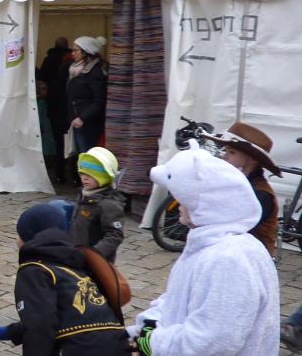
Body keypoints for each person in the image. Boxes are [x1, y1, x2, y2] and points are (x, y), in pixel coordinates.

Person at [128, 142, 279, 356]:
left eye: (183, 199)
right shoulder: (206, 246)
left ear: (205, 203)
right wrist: (147, 326)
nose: (179, 205)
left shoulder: (228, 259)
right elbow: (176, 300)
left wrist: (151, 342)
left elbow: (213, 342)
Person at [0, 203, 130, 356]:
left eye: (18, 234)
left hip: (79, 349)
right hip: (118, 345)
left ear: (29, 237)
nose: (16, 239)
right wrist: (0, 333)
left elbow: (40, 326)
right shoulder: (76, 265)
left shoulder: (34, 270)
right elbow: (61, 318)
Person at [206, 122, 282, 255]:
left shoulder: (261, 194)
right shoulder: (239, 182)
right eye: (226, 150)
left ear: (252, 159)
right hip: (229, 252)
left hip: (251, 261)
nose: (224, 156)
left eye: (232, 152)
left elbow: (232, 228)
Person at [70, 146, 125, 263]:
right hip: (77, 254)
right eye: (82, 173)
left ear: (104, 177)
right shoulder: (83, 194)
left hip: (96, 261)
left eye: (90, 175)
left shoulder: (109, 204)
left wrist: (93, 254)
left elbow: (115, 235)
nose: (84, 178)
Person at [37, 37, 73, 182]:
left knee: (56, 139)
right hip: (66, 105)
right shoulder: (69, 61)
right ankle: (68, 171)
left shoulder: (48, 60)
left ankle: (59, 172)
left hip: (52, 105)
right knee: (67, 140)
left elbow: (42, 77)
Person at [67, 36, 108, 155]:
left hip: (88, 123)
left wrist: (82, 117)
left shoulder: (95, 72)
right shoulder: (75, 70)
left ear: (86, 52)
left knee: (87, 156)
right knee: (81, 156)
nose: (72, 53)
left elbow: (99, 100)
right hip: (77, 121)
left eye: (76, 50)